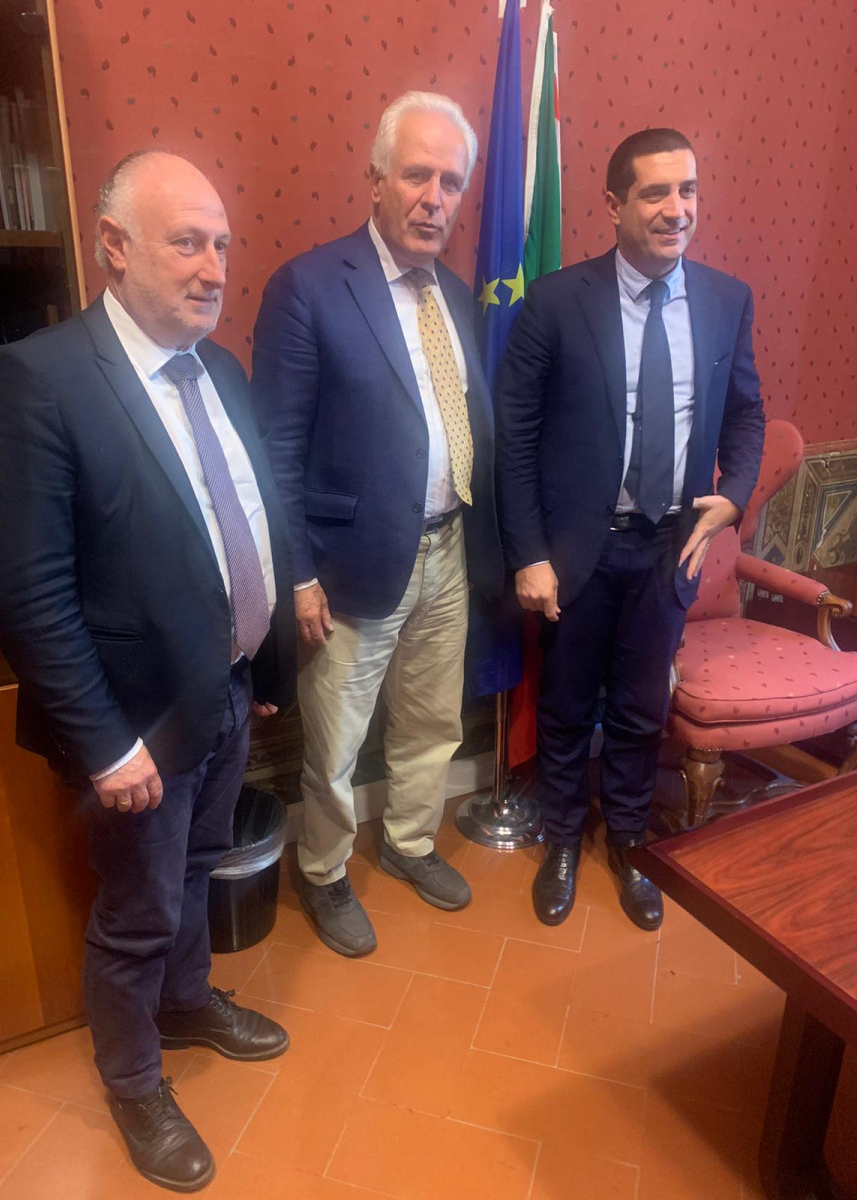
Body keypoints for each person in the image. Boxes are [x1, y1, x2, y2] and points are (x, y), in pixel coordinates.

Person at [0, 150, 297, 1193]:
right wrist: (106, 746)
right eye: (187, 242)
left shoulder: (222, 371)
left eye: (222, 245)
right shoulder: (39, 380)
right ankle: (133, 1079)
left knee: (200, 869)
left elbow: (243, 521)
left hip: (226, 692)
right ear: (114, 246)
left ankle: (187, 1004)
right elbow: (29, 593)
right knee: (139, 910)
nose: (214, 268)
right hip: (135, 726)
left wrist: (263, 661)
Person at [252, 92, 503, 958]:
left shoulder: (457, 297)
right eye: (417, 175)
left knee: (433, 721)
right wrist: (297, 574)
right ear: (376, 180)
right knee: (335, 743)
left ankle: (408, 841)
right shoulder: (309, 287)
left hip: (448, 546)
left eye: (451, 182)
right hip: (347, 566)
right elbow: (275, 450)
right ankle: (322, 870)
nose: (435, 198)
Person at [494, 128, 765, 931]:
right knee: (568, 706)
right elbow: (515, 436)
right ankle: (562, 841)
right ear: (613, 205)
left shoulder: (726, 301)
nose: (676, 209)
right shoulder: (555, 301)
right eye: (655, 193)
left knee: (643, 711)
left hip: (668, 549)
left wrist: (734, 496)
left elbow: (747, 415)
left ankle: (630, 842)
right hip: (578, 550)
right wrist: (529, 554)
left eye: (688, 190)